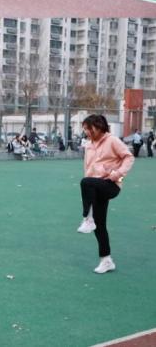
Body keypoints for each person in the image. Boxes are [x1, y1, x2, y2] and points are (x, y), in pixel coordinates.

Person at [76, 114, 134, 274]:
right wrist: (88, 192)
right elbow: (88, 168)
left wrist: (118, 175)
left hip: (111, 184)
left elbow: (129, 157)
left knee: (85, 182)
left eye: (88, 128)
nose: (86, 131)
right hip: (95, 186)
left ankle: (87, 218)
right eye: (84, 129)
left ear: (98, 127)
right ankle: (106, 260)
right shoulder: (88, 145)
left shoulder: (112, 140)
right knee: (100, 225)